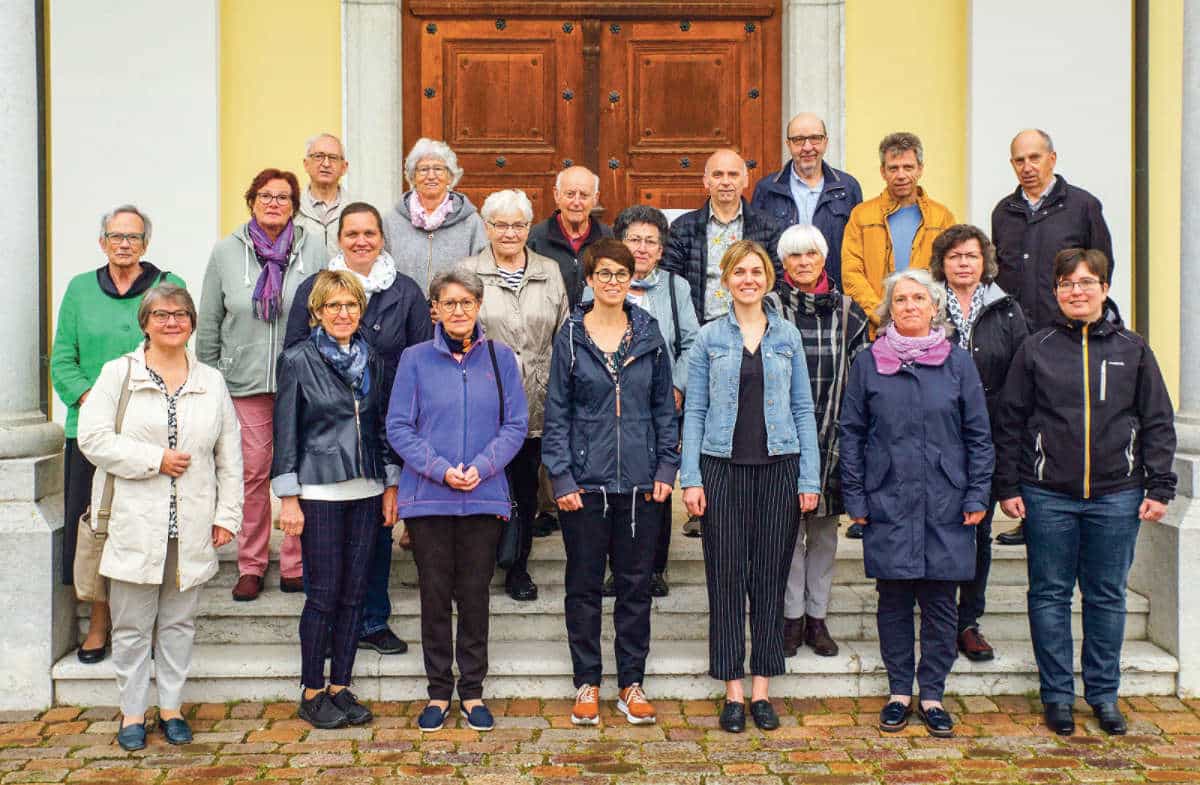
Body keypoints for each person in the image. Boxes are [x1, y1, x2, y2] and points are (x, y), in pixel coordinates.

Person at [995, 248, 1176, 738]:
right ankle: (1057, 695)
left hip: (1117, 494)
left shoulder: (1133, 349)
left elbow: (1157, 420)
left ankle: (1102, 694)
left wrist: (1160, 485)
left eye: (1086, 282)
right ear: (1056, 292)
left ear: (1104, 288)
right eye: (1067, 284)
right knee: (1049, 595)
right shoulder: (1036, 347)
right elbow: (1010, 420)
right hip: (1047, 494)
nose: (1077, 291)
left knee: (1106, 596)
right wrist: (1009, 485)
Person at [77, 283, 242, 751]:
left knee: (177, 623)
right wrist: (155, 460)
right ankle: (132, 711)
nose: (173, 322)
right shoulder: (119, 375)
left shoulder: (211, 381)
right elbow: (93, 440)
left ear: (191, 322)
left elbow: (230, 456)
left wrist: (227, 513)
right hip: (134, 522)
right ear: (145, 322)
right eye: (162, 314)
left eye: (181, 314)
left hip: (190, 524)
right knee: (130, 626)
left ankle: (170, 707)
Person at [839, 268, 993, 739]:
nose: (909, 306)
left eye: (918, 299)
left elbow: (978, 435)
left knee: (942, 602)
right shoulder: (868, 361)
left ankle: (932, 694)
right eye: (900, 300)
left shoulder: (958, 362)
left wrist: (976, 493)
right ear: (889, 309)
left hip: (947, 500)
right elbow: (851, 433)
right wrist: (856, 496)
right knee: (894, 600)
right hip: (889, 498)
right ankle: (899, 692)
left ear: (933, 308)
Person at [681, 240, 821, 734]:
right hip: (721, 468)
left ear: (769, 279)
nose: (748, 279)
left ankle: (762, 688)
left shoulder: (786, 338)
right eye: (739, 271)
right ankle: (732, 691)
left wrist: (809, 478)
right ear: (726, 279)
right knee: (724, 579)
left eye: (756, 271)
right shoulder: (707, 339)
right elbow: (693, 410)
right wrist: (691, 478)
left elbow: (804, 409)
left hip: (779, 467)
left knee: (768, 579)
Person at [284, 202, 432, 655]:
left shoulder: (404, 291)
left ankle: (371, 619)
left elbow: (422, 354)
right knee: (325, 547)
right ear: (339, 239)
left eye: (370, 232)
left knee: (375, 535)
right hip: (324, 438)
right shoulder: (315, 287)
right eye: (352, 233)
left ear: (383, 238)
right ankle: (326, 624)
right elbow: (294, 350)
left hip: (385, 425)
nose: (361, 240)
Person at [543, 239, 679, 727]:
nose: (614, 282)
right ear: (590, 279)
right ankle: (587, 683)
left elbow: (665, 408)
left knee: (635, 587)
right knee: (582, 587)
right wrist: (560, 476)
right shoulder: (572, 337)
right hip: (585, 485)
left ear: (632, 279)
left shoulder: (648, 333)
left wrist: (667, 468)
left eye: (622, 274)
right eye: (604, 274)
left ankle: (631, 684)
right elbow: (556, 412)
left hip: (642, 487)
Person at [387, 268, 528, 734]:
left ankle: (472, 691)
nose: (458, 311)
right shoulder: (413, 359)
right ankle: (436, 692)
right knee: (433, 596)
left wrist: (483, 467)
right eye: (449, 303)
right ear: (435, 309)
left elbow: (515, 426)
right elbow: (399, 427)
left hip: (483, 497)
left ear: (479, 306)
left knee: (473, 596)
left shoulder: (501, 357)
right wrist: (440, 468)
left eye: (466, 302)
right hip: (430, 498)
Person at [51, 204, 185, 665]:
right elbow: (62, 361)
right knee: (97, 529)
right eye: (115, 236)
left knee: (146, 529)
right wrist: (97, 405)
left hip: (152, 433)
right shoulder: (79, 290)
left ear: (146, 243)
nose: (123, 244)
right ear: (102, 242)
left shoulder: (169, 287)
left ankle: (144, 624)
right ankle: (99, 622)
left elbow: (177, 347)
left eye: (132, 237)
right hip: (90, 434)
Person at [272, 270, 398, 729]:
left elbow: (381, 426)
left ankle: (341, 686)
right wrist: (289, 497)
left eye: (351, 306)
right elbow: (285, 431)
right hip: (319, 490)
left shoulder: (374, 360)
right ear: (317, 312)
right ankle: (312, 689)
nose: (343, 314)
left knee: (354, 592)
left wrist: (390, 483)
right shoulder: (298, 360)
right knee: (323, 593)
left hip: (365, 487)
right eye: (333, 306)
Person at [198, 168, 327, 601]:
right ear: (251, 201)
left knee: (301, 473)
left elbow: (328, 310)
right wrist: (209, 380)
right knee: (251, 474)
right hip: (244, 383)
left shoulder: (315, 249)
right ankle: (251, 563)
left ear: (295, 206)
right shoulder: (225, 253)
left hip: (302, 382)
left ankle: (295, 562)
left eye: (284, 197)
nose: (275, 203)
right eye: (266, 196)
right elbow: (211, 321)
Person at [990, 129, 1114, 546]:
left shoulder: (1082, 206)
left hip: (1064, 337)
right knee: (1019, 420)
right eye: (1018, 160)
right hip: (1015, 337)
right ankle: (1026, 512)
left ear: (1052, 159)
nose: (1027, 167)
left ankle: (1064, 510)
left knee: (1059, 420)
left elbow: (1101, 268)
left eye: (1034, 158)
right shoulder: (1004, 212)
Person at [458, 189, 568, 602]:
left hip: (535, 401)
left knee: (524, 489)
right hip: (484, 403)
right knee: (483, 487)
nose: (509, 233)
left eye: (518, 224)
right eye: (500, 225)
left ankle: (518, 567)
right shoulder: (467, 272)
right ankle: (479, 568)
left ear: (529, 228)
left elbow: (562, 336)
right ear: (486, 227)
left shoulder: (549, 271)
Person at [928, 225, 1028, 662]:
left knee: (978, 530)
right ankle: (937, 614)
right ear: (942, 264)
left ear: (984, 261)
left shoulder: (1006, 311)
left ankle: (967, 620)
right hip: (933, 437)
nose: (963, 263)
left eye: (970, 255)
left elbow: (1021, 381)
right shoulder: (925, 305)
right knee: (933, 526)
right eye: (954, 257)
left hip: (987, 435)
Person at [590, 205, 700, 582]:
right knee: (611, 485)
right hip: (609, 404)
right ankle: (614, 568)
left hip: (659, 406)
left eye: (650, 241)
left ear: (660, 249)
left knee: (658, 485)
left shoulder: (675, 287)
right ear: (619, 242)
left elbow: (691, 342)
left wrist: (676, 385)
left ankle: (654, 568)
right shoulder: (598, 285)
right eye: (634, 239)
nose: (641, 248)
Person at [775, 224, 870, 658]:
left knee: (825, 536)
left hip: (833, 438)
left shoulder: (851, 313)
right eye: (795, 256)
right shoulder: (769, 307)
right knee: (787, 534)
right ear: (784, 263)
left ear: (823, 257)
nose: (803, 262)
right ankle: (791, 618)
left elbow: (862, 378)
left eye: (811, 254)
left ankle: (818, 618)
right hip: (782, 440)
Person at [841, 132, 956, 330]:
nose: (901, 175)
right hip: (875, 330)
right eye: (893, 168)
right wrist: (882, 315)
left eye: (908, 167)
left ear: (920, 169)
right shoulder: (861, 215)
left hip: (926, 329)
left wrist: (925, 314)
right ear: (882, 172)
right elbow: (852, 274)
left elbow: (950, 275)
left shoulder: (942, 217)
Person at [662, 149, 785, 324]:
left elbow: (777, 281)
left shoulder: (768, 227)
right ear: (706, 181)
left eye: (733, 175)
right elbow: (670, 282)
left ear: (745, 180)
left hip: (751, 330)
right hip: (699, 330)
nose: (726, 182)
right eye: (718, 175)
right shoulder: (683, 228)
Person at [751, 112, 863, 286]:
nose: (808, 147)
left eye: (815, 138)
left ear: (826, 141)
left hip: (833, 294)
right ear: (788, 144)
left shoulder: (848, 188)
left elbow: (858, 250)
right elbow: (756, 249)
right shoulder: (767, 189)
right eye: (799, 140)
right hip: (782, 295)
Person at [382, 138, 488, 299]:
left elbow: (482, 272)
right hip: (404, 313)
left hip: (455, 312)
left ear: (450, 177)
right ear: (412, 178)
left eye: (438, 169)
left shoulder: (471, 222)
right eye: (423, 169)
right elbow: (382, 268)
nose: (431, 176)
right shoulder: (391, 221)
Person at [527, 165, 613, 308]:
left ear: (595, 198)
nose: (576, 202)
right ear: (556, 195)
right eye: (570, 194)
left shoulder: (607, 238)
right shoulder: (536, 237)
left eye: (584, 195)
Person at [295, 133, 351, 259]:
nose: (326, 163)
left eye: (333, 157)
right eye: (319, 156)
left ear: (344, 167)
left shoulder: (357, 211)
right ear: (306, 164)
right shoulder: (291, 209)